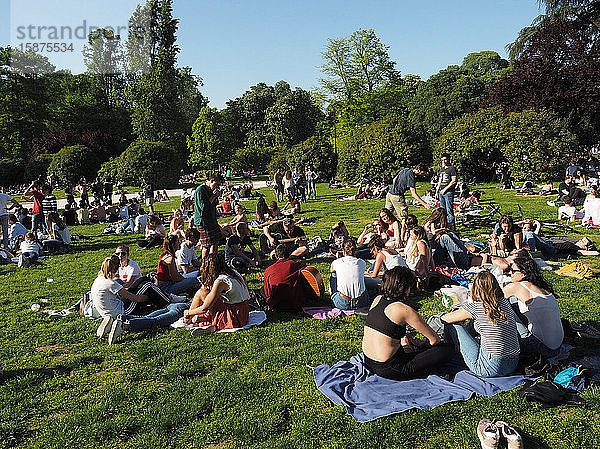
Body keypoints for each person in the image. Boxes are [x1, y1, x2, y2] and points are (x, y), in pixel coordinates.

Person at [362, 266, 454, 381]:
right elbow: (434, 339)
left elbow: (387, 330)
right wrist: (423, 346)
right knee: (446, 349)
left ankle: (408, 347)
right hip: (390, 368)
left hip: (368, 361)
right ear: (405, 288)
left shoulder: (377, 299)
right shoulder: (403, 310)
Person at [441, 271, 520, 377]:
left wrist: (446, 314)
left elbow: (446, 319)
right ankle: (453, 349)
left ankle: (447, 351)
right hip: (513, 363)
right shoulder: (504, 302)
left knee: (452, 324)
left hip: (488, 368)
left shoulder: (476, 308)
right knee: (475, 322)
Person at [93, 255, 171, 338]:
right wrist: (146, 298)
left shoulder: (99, 279)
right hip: (121, 312)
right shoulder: (111, 283)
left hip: (110, 310)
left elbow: (125, 292)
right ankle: (168, 301)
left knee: (142, 280)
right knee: (148, 285)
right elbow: (136, 299)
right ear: (116, 268)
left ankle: (165, 297)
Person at [502, 256, 564, 357]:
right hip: (557, 345)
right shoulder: (539, 287)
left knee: (504, 307)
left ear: (524, 274)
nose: (509, 273)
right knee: (512, 300)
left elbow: (493, 300)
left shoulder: (516, 287)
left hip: (541, 348)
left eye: (513, 271)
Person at [183, 253, 250, 333]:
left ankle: (188, 318)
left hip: (233, 317)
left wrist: (189, 312)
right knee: (207, 293)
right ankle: (209, 324)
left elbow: (205, 308)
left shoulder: (221, 281)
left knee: (202, 292)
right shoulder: (234, 273)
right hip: (243, 314)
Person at [330, 239, 378, 310]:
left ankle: (333, 296)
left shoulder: (336, 262)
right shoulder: (361, 262)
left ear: (343, 251)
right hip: (361, 302)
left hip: (343, 303)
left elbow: (332, 270)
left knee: (333, 275)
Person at [263, 243, 307, 312]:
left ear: (276, 256)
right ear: (289, 254)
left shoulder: (268, 270)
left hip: (276, 305)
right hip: (295, 303)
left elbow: (267, 292)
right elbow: (306, 268)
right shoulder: (295, 264)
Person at [194, 173, 224, 258]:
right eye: (217, 184)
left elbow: (214, 204)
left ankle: (213, 262)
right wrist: (214, 196)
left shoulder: (210, 189)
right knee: (206, 245)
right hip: (203, 222)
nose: (217, 187)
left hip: (212, 220)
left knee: (216, 241)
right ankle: (205, 264)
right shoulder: (200, 190)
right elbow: (204, 207)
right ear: (211, 181)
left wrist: (216, 196)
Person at [435, 153, 458, 229]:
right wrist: (437, 191)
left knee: (449, 211)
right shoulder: (442, 169)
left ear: (448, 159)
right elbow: (440, 180)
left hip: (448, 192)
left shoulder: (452, 168)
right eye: (442, 160)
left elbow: (454, 181)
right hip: (441, 192)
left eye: (445, 159)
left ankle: (452, 228)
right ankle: (443, 226)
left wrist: (445, 189)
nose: (444, 161)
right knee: (442, 211)